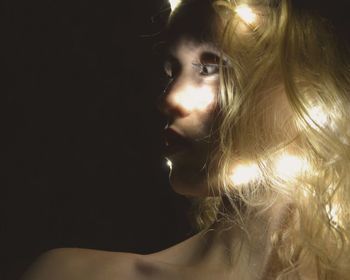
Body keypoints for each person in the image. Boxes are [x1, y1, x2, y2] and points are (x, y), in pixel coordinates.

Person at [21, 0, 350, 279]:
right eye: (171, 72)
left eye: (210, 68)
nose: (169, 99)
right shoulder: (72, 273)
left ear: (310, 83)